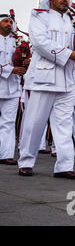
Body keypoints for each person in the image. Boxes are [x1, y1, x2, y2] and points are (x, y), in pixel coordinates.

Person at [18, 0, 75, 179]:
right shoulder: (39, 16)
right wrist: (70, 54)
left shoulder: (73, 20)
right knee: (35, 122)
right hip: (45, 77)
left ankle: (64, 165)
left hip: (68, 79)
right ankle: (26, 161)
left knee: (64, 124)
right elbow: (40, 43)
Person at [0, 13, 27, 165]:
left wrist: (26, 63)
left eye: (10, 22)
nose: (9, 24)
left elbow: (24, 59)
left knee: (8, 122)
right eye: (5, 21)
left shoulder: (18, 42)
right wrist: (11, 70)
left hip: (12, 88)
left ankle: (6, 154)